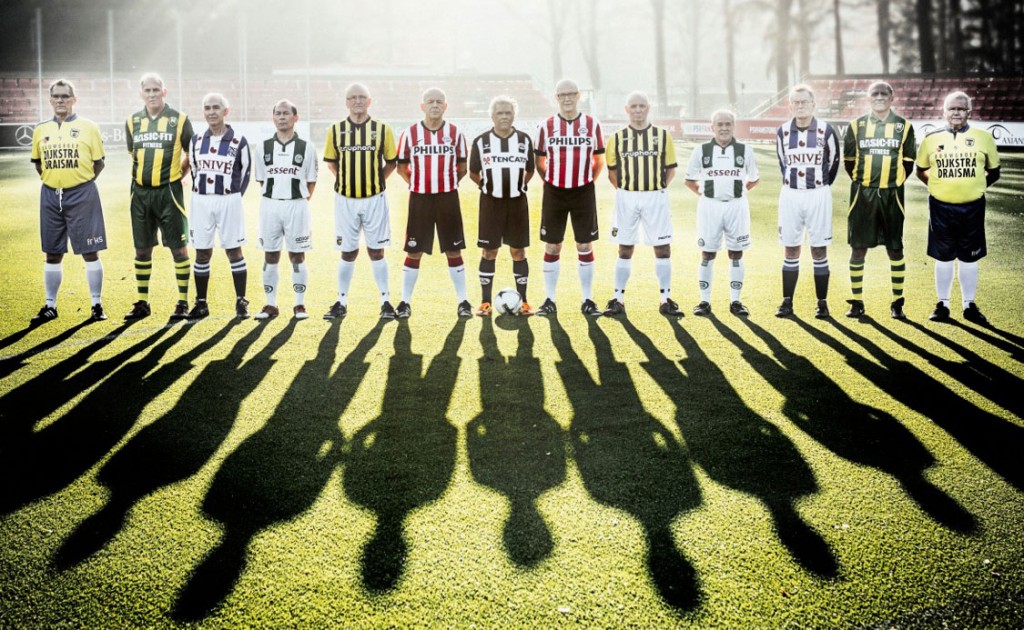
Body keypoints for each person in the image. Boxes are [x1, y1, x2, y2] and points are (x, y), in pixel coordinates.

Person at [915, 91, 1001, 324]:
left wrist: (976, 188)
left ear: (969, 112)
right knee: (943, 257)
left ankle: (969, 305)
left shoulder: (983, 138)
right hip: (940, 208)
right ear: (944, 112)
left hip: (972, 208)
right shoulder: (931, 139)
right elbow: (920, 170)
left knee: (969, 258)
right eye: (951, 108)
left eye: (961, 109)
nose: (956, 112)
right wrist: (938, 187)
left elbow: (994, 172)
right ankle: (942, 305)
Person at [29, 78, 108, 324]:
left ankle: (96, 304)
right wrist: (55, 181)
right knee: (52, 253)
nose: (60, 100)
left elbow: (99, 163)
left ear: (74, 99)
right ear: (50, 100)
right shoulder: (41, 129)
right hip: (50, 195)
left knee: (90, 251)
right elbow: (39, 164)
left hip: (82, 194)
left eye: (65, 96)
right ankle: (50, 306)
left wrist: (80, 183)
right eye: (56, 96)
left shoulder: (89, 127)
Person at [602, 91, 682, 317]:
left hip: (655, 196)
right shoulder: (617, 137)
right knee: (625, 247)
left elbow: (671, 169)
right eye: (633, 106)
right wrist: (627, 191)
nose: (638, 110)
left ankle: (665, 299)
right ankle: (618, 299)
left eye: (642, 106)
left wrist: (657, 189)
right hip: (626, 196)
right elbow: (612, 172)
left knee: (662, 247)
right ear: (626, 109)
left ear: (649, 108)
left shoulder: (662, 136)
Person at [322, 83, 398, 320]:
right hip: (345, 200)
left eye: (362, 97)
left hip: (375, 199)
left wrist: (376, 181)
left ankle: (386, 302)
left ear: (369, 101)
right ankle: (341, 301)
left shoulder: (382, 129)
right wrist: (348, 181)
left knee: (377, 251)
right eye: (352, 97)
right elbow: (331, 163)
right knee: (347, 251)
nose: (357, 101)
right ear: (346, 102)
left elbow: (392, 162)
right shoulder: (335, 130)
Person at [842, 81, 917, 319]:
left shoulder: (904, 126)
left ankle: (897, 302)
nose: (880, 96)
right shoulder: (856, 126)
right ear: (868, 98)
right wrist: (866, 182)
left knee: (895, 249)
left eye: (885, 93)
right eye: (875, 93)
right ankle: (857, 302)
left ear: (892, 97)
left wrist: (891, 182)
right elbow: (849, 162)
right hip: (862, 195)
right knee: (858, 248)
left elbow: (908, 163)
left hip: (892, 196)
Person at [395, 87, 471, 319]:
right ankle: (405, 302)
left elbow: (462, 167)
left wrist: (447, 183)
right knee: (414, 250)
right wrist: (416, 183)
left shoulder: (455, 133)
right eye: (430, 101)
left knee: (453, 249)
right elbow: (401, 167)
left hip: (448, 198)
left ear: (446, 106)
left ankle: (463, 301)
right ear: (422, 106)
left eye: (439, 101)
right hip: (420, 199)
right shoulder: (410, 133)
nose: (435, 105)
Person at [124, 72, 194, 320]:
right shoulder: (132, 121)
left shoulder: (180, 120)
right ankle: (142, 302)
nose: (152, 94)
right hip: (140, 194)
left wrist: (177, 175)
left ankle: (183, 302)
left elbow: (191, 154)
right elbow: (134, 154)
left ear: (164, 92)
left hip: (169, 194)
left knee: (179, 249)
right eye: (148, 90)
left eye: (156, 90)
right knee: (142, 250)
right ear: (141, 93)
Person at [534, 78, 605, 317]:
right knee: (553, 245)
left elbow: (599, 160)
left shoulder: (592, 125)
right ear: (556, 98)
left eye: (571, 94)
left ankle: (587, 299)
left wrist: (587, 181)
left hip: (583, 191)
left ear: (578, 95)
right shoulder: (546, 126)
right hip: (554, 192)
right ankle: (549, 300)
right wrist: (551, 181)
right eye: (562, 94)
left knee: (584, 244)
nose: (567, 98)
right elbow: (540, 162)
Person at [683, 108, 759, 317]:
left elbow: (753, 179)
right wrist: (709, 195)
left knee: (736, 252)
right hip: (709, 207)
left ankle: (735, 301)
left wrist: (737, 192)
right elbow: (689, 180)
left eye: (728, 124)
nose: (724, 128)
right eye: (720, 124)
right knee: (708, 252)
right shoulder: (701, 150)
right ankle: (704, 301)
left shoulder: (745, 150)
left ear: (734, 126)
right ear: (712, 127)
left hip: (736, 206)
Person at [774, 84, 840, 319]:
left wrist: (820, 184)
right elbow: (783, 162)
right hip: (790, 195)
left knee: (818, 248)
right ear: (790, 105)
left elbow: (833, 162)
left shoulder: (826, 130)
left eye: (804, 101)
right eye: (796, 102)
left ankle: (822, 303)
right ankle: (787, 302)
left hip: (818, 194)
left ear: (813, 104)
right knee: (791, 247)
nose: (800, 105)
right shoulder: (782, 131)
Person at [468, 95, 536, 316]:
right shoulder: (481, 142)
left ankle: (524, 302)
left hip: (517, 203)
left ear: (514, 115)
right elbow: (473, 172)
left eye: (508, 112)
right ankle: (485, 303)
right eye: (500, 113)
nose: (504, 117)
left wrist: (517, 185)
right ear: (492, 116)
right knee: (489, 251)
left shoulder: (524, 140)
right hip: (491, 204)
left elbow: (530, 170)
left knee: (518, 251)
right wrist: (488, 186)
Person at [186, 92, 251, 320]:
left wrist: (233, 197)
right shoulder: (196, 140)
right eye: (207, 108)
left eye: (216, 107)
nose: (211, 112)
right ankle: (201, 303)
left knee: (234, 250)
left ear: (226, 111)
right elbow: (194, 170)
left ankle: (241, 301)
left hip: (229, 200)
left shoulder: (238, 141)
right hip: (201, 201)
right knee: (202, 251)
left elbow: (246, 172)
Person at [252, 99, 319, 320]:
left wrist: (298, 200)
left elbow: (311, 181)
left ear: (295, 118)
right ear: (273, 118)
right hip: (270, 205)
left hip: (297, 205)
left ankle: (299, 305)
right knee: (270, 254)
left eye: (286, 113)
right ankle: (270, 304)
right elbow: (261, 180)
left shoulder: (307, 147)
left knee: (297, 254)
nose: (282, 117)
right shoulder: (262, 147)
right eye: (278, 113)